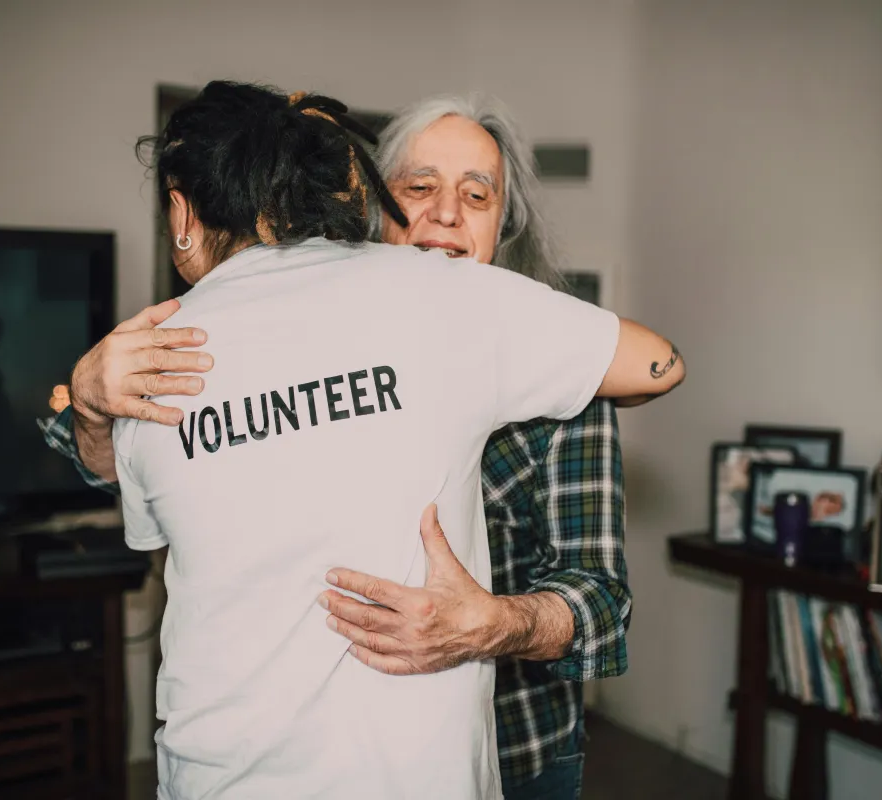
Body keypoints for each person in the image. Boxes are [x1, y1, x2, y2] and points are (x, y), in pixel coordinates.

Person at [40, 92, 660, 799]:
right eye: (419, 189)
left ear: (503, 224)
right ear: (364, 202)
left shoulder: (563, 371)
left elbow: (603, 601)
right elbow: (129, 468)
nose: (448, 213)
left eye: (477, 194)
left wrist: (494, 623)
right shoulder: (277, 325)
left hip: (516, 751)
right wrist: (90, 398)